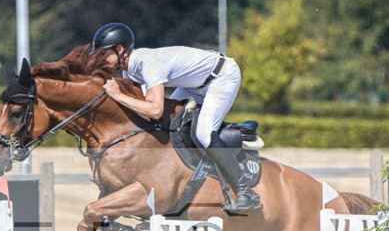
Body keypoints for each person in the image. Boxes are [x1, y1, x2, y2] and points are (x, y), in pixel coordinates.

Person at [89, 22, 262, 213]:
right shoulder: (130, 70)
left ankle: (246, 192)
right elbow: (148, 113)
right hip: (193, 84)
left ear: (120, 49)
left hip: (222, 77)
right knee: (166, 125)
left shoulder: (149, 64)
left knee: (203, 133)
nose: (101, 60)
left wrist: (118, 95)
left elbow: (154, 109)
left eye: (104, 54)